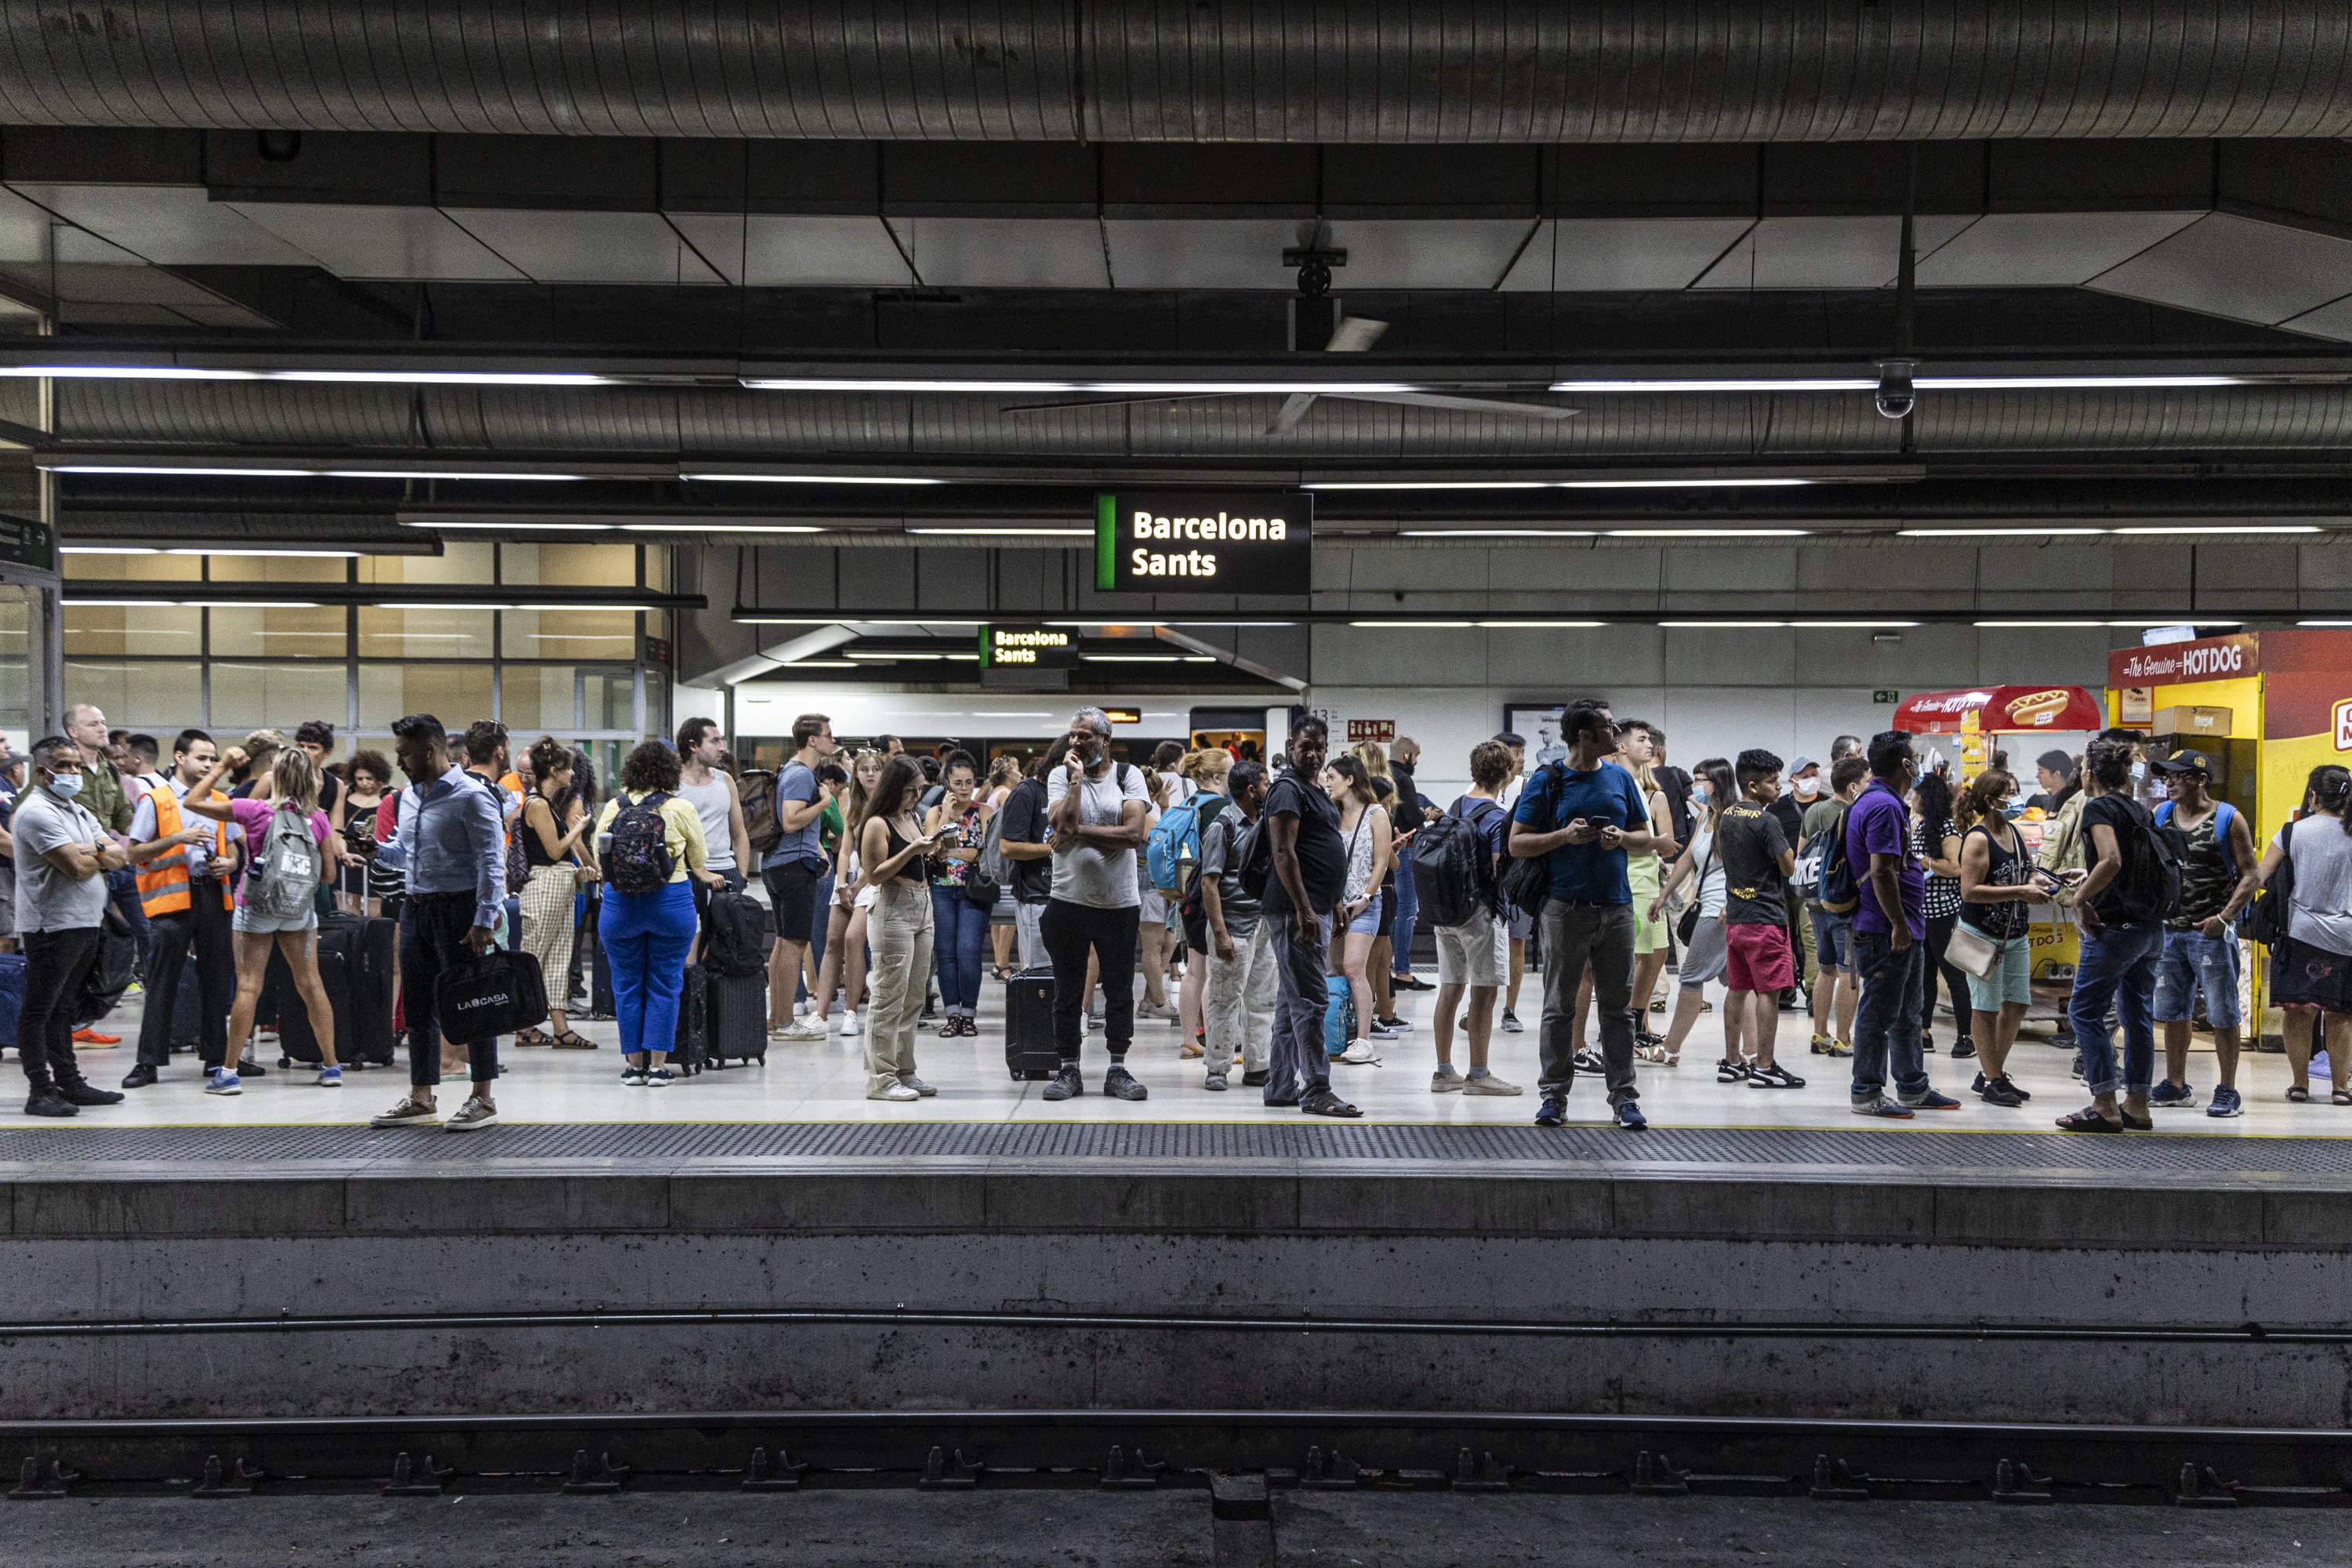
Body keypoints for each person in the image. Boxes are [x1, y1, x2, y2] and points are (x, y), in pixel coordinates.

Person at [1508, 698, 1656, 1131]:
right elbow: (1518, 842)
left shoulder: (1620, 778)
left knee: (1618, 1008)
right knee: (1559, 1006)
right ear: (1586, 735)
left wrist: (1621, 837)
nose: (1617, 733)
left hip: (1617, 906)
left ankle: (1624, 1098)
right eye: (1609, 727)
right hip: (1563, 907)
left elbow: (1645, 836)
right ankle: (1553, 1096)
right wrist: (1564, 837)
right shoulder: (1547, 779)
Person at [369, 713, 509, 1131]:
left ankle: (482, 1097)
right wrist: (376, 848)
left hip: (461, 910)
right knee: (417, 1006)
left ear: (429, 750)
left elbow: (491, 860)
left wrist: (485, 917)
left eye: (404, 754)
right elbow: (404, 851)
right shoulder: (409, 797)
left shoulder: (471, 796)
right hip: (416, 909)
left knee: (473, 1004)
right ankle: (421, 1096)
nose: (400, 762)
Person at [179, 744, 343, 1092]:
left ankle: (229, 1072)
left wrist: (221, 767)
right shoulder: (319, 819)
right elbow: (328, 876)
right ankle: (331, 1066)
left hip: (256, 908)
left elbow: (191, 802)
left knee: (249, 985)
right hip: (299, 911)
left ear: (276, 777)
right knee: (311, 985)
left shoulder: (252, 810)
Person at [7, 735, 129, 1117]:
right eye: (64, 766)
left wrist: (93, 852)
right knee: (39, 1009)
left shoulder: (75, 810)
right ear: (43, 772)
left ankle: (70, 1082)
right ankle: (39, 1090)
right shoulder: (36, 812)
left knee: (64, 1008)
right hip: (51, 926)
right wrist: (97, 853)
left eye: (76, 765)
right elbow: (76, 869)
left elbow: (120, 856)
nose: (74, 772)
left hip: (83, 922)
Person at [2053, 735, 2167, 1133]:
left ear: (2089, 773)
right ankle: (2138, 1103)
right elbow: (2131, 866)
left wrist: (2081, 898)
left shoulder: (2097, 806)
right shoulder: (2140, 810)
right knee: (2137, 1014)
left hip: (2115, 929)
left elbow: (2113, 860)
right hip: (2150, 930)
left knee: (2083, 1010)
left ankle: (2104, 1104)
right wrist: (2090, 876)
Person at [1040, 707, 1153, 1103]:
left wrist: (1077, 833)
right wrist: (1074, 780)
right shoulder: (1059, 775)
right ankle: (1068, 1068)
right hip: (1068, 900)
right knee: (1067, 990)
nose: (1075, 742)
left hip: (1119, 903)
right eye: (1072, 735)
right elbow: (1060, 823)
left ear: (1104, 740)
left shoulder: (1128, 776)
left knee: (1120, 988)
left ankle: (1117, 1067)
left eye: (1084, 736)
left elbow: (1133, 834)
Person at [1846, 731, 1961, 1119]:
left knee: (1908, 1012)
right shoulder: (1883, 806)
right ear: (1904, 765)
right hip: (1884, 930)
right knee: (1878, 1014)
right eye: (1914, 756)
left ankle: (1912, 1085)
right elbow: (1881, 871)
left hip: (1904, 927)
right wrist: (1897, 923)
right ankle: (1867, 1092)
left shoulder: (1886, 802)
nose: (1920, 763)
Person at [122, 729, 238, 1089]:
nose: (208, 765)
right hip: (171, 902)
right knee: (162, 982)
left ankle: (218, 1059)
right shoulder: (156, 800)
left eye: (212, 758)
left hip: (213, 896)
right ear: (179, 757)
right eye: (202, 758)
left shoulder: (219, 799)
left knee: (217, 981)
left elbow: (234, 849)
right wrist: (177, 838)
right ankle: (148, 1063)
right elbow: (133, 853)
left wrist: (229, 865)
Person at [2147, 750, 2260, 1116]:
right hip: (2169, 933)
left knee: (2223, 1012)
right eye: (2166, 776)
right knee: (2173, 1011)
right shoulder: (2161, 816)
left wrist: (2225, 918)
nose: (2170, 782)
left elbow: (2250, 875)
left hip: (2210, 934)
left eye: (2178, 776)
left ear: (2200, 779)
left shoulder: (2228, 819)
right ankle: (2176, 1085)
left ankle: (2228, 1090)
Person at [590, 740, 707, 1089]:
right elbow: (699, 860)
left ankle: (633, 1067)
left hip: (620, 905)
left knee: (626, 985)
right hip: (670, 902)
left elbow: (600, 858)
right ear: (671, 772)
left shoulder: (613, 807)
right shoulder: (680, 808)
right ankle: (658, 1067)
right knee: (665, 983)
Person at [1261, 716, 1358, 1117]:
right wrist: (1303, 908)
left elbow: (1325, 845)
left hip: (1315, 904)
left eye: (1319, 746)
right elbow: (1284, 852)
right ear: (1291, 745)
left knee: (1291, 1000)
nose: (1313, 753)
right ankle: (1316, 1088)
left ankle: (1281, 1086)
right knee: (1312, 999)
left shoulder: (1313, 787)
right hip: (1292, 909)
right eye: (1305, 746)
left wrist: (1333, 901)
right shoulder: (1287, 789)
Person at [2254, 764, 2352, 1105]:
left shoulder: (2292, 833)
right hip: (2347, 937)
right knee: (2342, 1015)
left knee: (2298, 1012)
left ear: (2313, 796)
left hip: (2300, 934)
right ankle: (2341, 1088)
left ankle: (2300, 1085)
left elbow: (2260, 877)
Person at [1429, 740, 1519, 1095]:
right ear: (1507, 775)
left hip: (1447, 911)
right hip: (1480, 913)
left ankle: (1443, 1072)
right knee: (1484, 993)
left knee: (1450, 988)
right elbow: (1500, 867)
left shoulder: (1455, 807)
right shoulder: (1497, 817)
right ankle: (1479, 1075)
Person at [857, 753, 946, 1102]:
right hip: (892, 906)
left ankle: (904, 1069)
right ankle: (880, 1078)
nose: (915, 798)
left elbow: (918, 860)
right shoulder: (877, 823)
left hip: (922, 906)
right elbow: (875, 874)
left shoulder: (912, 816)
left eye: (919, 791)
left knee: (913, 996)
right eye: (910, 791)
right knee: (888, 995)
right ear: (895, 788)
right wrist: (912, 849)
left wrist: (933, 852)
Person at [1713, 749, 1804, 1088]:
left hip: (1737, 917)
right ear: (1752, 786)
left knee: (1737, 990)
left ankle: (1732, 1061)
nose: (1778, 786)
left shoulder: (1726, 817)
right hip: (1766, 918)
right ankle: (1765, 1066)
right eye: (1772, 781)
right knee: (1770, 992)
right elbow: (1788, 866)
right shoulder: (1767, 821)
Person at [1954, 768, 2044, 1110]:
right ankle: (1992, 1080)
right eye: (2011, 792)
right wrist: (2021, 891)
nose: (2017, 798)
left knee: (2017, 1003)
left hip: (2015, 933)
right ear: (1992, 801)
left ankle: (1992, 1071)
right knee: (1986, 1007)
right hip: (1982, 935)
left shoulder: (2015, 832)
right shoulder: (1977, 838)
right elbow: (1969, 891)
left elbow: (2029, 870)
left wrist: (2042, 880)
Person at [1649, 757, 1736, 1069]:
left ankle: (1669, 1048)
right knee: (1739, 984)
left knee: (1690, 977)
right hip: (1706, 905)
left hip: (1720, 910)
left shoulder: (1731, 818)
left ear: (1719, 782)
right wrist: (1664, 895)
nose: (1695, 786)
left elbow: (1744, 867)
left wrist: (1732, 901)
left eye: (1702, 780)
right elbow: (1687, 857)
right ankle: (1750, 1055)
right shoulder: (1705, 817)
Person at [514, 738, 598, 1051]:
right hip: (544, 887)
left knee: (558, 959)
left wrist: (579, 871)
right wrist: (579, 829)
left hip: (559, 883)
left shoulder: (548, 805)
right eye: (568, 769)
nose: (573, 774)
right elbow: (554, 850)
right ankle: (524, 1025)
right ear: (553, 770)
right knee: (534, 957)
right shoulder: (537, 804)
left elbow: (554, 857)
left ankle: (560, 1028)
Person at [62, 702, 140, 1042]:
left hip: (118, 866)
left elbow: (124, 815)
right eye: (93, 723)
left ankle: (165, 1020)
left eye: (104, 722)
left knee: (141, 935)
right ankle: (74, 1023)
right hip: (84, 869)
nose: (102, 728)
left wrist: (151, 828)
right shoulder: (64, 771)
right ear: (73, 732)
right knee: (86, 947)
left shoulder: (108, 769)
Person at [762, 713, 837, 1042]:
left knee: (782, 942)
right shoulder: (801, 776)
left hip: (780, 864)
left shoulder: (789, 772)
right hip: (792, 868)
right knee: (795, 944)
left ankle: (776, 1018)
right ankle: (786, 1021)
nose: (832, 741)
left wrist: (819, 850)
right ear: (812, 740)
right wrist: (824, 803)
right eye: (828, 736)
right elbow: (791, 821)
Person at [1198, 758, 1270, 1091]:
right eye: (1266, 785)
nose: (1270, 790)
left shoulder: (1266, 823)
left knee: (1262, 1000)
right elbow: (1209, 883)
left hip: (1263, 925)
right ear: (1252, 790)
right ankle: (1217, 1067)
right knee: (1225, 1000)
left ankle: (1258, 1066)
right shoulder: (1222, 826)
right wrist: (1220, 933)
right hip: (1233, 926)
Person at [811, 748, 887, 1036]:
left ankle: (852, 1011)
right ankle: (820, 1013)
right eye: (864, 769)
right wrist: (842, 884)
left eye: (875, 769)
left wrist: (856, 886)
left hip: (871, 882)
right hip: (848, 880)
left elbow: (880, 858)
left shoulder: (887, 808)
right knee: (832, 942)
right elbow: (844, 849)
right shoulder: (852, 806)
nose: (869, 774)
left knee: (854, 939)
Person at [1321, 755, 1392, 1065]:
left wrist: (1366, 895)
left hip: (1365, 905)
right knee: (1337, 970)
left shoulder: (1376, 814)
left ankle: (1364, 1039)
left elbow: (1382, 861)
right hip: (1335, 905)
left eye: (1332, 777)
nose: (1327, 782)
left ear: (1350, 780)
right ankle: (1340, 1031)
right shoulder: (1330, 814)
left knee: (1353, 968)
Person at [923, 750, 993, 1038]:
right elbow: (931, 849)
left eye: (969, 782)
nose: (964, 788)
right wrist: (947, 818)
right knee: (945, 953)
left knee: (968, 950)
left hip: (973, 890)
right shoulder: (936, 812)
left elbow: (984, 854)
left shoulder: (984, 812)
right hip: (941, 888)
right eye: (958, 782)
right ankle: (952, 1013)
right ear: (947, 783)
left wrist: (952, 852)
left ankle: (969, 1013)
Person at [1803, 756, 1868, 1058]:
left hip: (1815, 900)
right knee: (1849, 973)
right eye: (1867, 781)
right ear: (1853, 787)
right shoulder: (1855, 813)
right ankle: (1843, 1038)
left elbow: (1802, 849)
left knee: (1825, 970)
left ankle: (1820, 1033)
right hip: (1843, 902)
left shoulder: (1814, 810)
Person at [1911, 770, 1975, 1060]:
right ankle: (1923, 1031)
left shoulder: (1948, 830)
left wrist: (1924, 860)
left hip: (1944, 911)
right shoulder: (1922, 826)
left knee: (1953, 974)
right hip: (1922, 911)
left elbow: (1957, 868)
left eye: (1917, 794)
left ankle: (1966, 1035)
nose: (1912, 798)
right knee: (1924, 974)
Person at [1174, 747, 1233, 1058]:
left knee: (1193, 971)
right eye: (1230, 771)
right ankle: (1215, 1043)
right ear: (1216, 777)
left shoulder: (1188, 803)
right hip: (1212, 895)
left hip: (1187, 895)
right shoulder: (1222, 808)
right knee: (1213, 972)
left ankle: (1189, 1041)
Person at [995, 744, 1058, 973]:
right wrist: (1050, 849)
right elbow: (1007, 847)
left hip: (1067, 894)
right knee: (1039, 973)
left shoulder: (1067, 792)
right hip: (1036, 894)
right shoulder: (1027, 792)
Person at [1494, 731, 1531, 1033]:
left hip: (1518, 875)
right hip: (1490, 877)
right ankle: (1476, 1004)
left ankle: (1510, 1009)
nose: (1521, 759)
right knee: (1485, 941)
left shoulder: (1528, 788)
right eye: (1515, 752)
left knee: (1516, 941)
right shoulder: (1480, 789)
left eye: (1522, 752)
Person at [1387, 735, 1432, 992]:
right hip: (1404, 850)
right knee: (1407, 911)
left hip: (1386, 850)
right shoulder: (1404, 779)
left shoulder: (1382, 774)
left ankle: (1392, 967)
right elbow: (1414, 818)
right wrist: (1425, 814)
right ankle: (1402, 972)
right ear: (1406, 755)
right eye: (1416, 755)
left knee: (1393, 911)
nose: (1416, 761)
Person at [984, 755, 1025, 979]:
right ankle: (1003, 964)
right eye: (1018, 770)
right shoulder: (1006, 795)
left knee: (998, 917)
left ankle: (1000, 961)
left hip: (993, 860)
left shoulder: (993, 792)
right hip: (1003, 862)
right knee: (1009, 915)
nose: (1020, 775)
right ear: (1009, 773)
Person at [337, 750, 390, 915]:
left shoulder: (388, 797)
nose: (365, 783)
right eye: (360, 779)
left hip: (376, 861)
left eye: (369, 779)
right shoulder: (345, 796)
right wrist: (342, 852)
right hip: (349, 861)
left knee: (375, 915)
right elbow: (337, 829)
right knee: (347, 914)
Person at [2027, 750, 2079, 815]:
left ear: (2057, 774)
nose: (2037, 776)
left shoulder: (2065, 801)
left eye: (2041, 772)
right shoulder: (2051, 800)